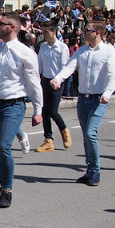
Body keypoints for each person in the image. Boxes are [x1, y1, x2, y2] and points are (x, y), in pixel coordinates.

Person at [51, 21, 115, 186]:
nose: (84, 33)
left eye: (87, 30)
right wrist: (58, 78)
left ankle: (95, 171)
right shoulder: (81, 51)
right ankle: (89, 171)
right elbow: (70, 67)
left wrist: (108, 93)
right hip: (83, 99)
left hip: (98, 99)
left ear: (97, 33)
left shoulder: (108, 51)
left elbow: (113, 74)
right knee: (86, 136)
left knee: (90, 133)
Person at [0, 13, 43, 207]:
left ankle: (8, 190)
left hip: (14, 104)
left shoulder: (25, 52)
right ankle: (2, 186)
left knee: (3, 146)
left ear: (12, 28)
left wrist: (38, 109)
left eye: (1, 24)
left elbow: (34, 83)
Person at [36, 21, 73, 152]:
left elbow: (65, 66)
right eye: (43, 32)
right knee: (44, 111)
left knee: (52, 111)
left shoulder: (62, 48)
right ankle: (48, 140)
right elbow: (39, 65)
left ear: (54, 32)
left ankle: (64, 130)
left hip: (57, 81)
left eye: (46, 32)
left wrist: (58, 79)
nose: (44, 34)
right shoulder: (43, 47)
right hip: (45, 81)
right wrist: (35, 78)